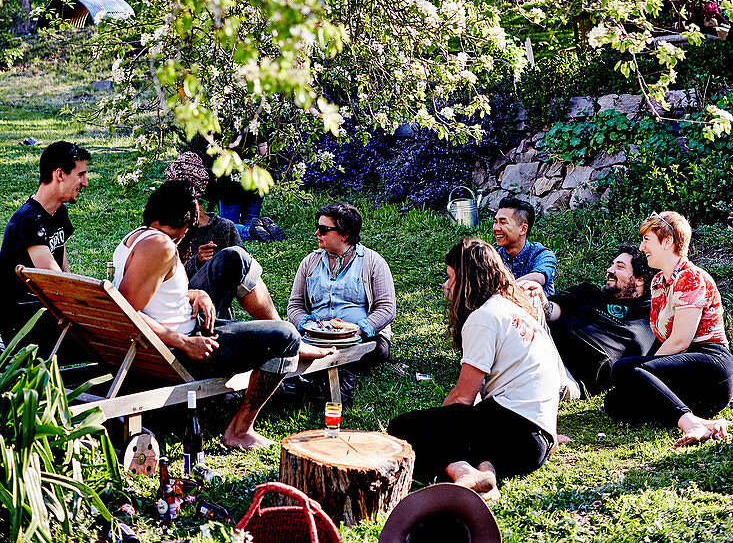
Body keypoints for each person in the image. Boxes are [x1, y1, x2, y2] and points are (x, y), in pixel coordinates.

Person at [113, 181, 331, 450]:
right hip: (184, 349)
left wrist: (194, 294)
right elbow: (126, 312)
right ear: (180, 222)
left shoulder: (137, 237)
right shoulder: (161, 247)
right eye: (186, 231)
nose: (186, 236)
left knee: (234, 258)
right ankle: (239, 431)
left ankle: (296, 342)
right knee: (285, 337)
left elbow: (155, 296)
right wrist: (184, 343)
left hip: (185, 327)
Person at [388, 238, 564, 501]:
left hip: (515, 430)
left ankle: (462, 474)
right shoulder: (515, 310)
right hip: (536, 442)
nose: (446, 285)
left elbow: (463, 398)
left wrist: (436, 425)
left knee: (405, 426)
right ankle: (486, 473)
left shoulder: (484, 317)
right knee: (467, 430)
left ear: (468, 280)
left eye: (451, 278)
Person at [604, 210, 733, 447]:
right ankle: (703, 421)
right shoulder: (657, 282)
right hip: (683, 368)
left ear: (667, 241)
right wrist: (643, 373)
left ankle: (689, 423)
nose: (642, 248)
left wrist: (644, 369)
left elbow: (680, 341)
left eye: (647, 240)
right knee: (615, 403)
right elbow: (660, 338)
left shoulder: (690, 277)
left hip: (710, 367)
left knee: (625, 369)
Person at [287, 202, 396, 404]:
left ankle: (322, 377)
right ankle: (325, 376)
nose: (317, 233)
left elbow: (387, 308)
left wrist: (360, 330)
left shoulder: (373, 262)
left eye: (324, 229)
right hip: (318, 336)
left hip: (360, 337)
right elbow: (294, 305)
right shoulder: (309, 262)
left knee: (375, 350)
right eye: (317, 227)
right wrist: (306, 324)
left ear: (345, 234)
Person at [524, 245, 655, 395]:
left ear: (639, 280)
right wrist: (540, 298)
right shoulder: (588, 292)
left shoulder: (649, 310)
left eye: (620, 267)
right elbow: (550, 311)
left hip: (569, 378)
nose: (610, 270)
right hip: (544, 343)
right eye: (612, 265)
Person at [0, 141, 90, 352]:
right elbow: (54, 281)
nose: (85, 183)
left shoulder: (59, 213)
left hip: (47, 315)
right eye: (80, 175)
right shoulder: (29, 220)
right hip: (24, 325)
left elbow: (63, 268)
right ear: (59, 174)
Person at [165, 152, 247, 312]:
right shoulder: (167, 230)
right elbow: (166, 282)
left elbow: (246, 274)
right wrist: (198, 262)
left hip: (217, 312)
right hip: (179, 309)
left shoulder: (225, 228)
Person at [493, 196, 557, 295]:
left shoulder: (542, 254)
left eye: (503, 222)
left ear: (523, 229)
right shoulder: (492, 256)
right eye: (495, 222)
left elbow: (538, 277)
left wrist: (499, 292)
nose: (496, 228)